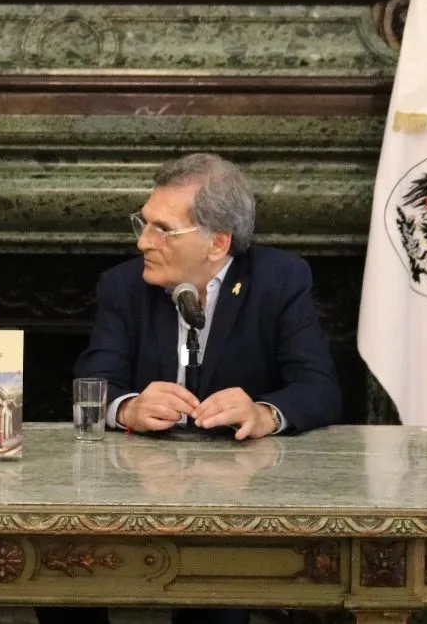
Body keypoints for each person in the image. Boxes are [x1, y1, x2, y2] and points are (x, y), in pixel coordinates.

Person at [70, 152, 342, 624]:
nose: (142, 242)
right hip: (135, 497)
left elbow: (319, 387)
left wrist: (263, 412)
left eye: (162, 229)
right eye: (143, 222)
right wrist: (128, 407)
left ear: (218, 242)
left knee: (220, 596)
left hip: (239, 501)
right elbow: (91, 381)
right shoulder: (123, 287)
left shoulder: (279, 281)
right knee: (65, 573)